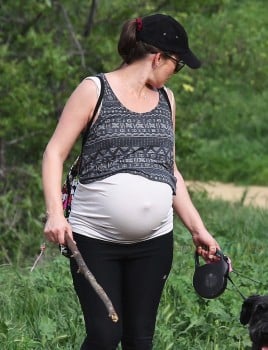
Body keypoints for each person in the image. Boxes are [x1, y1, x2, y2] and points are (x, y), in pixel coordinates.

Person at [42, 13, 221, 350]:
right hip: (94, 241)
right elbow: (54, 153)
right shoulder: (94, 90)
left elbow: (171, 171)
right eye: (177, 64)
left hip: (154, 243)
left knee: (140, 341)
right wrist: (55, 213)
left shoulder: (166, 99)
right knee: (105, 336)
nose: (174, 73)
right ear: (158, 57)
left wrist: (198, 229)